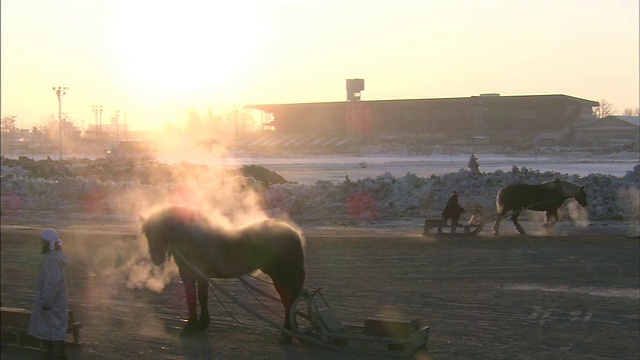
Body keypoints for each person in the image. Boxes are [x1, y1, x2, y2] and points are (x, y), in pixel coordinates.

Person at [28, 228, 69, 360]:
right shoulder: (54, 257)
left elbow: (52, 284)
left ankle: (56, 355)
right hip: (55, 301)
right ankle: (54, 353)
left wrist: (46, 301)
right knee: (54, 325)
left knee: (54, 326)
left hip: (52, 302)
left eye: (42, 241)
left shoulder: (52, 260)